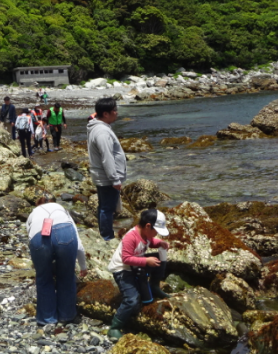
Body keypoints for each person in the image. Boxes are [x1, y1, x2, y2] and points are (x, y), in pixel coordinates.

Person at [106, 209, 170, 340]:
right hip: (122, 269)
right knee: (132, 299)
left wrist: (160, 243)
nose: (156, 234)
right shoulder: (131, 236)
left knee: (159, 257)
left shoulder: (146, 235)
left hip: (135, 265)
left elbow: (150, 242)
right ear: (147, 226)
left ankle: (154, 286)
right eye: (156, 231)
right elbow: (126, 258)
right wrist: (146, 261)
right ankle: (115, 327)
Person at [26, 194, 87, 326]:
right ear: (53, 202)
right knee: (66, 276)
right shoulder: (62, 210)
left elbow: (30, 237)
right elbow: (79, 245)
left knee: (43, 279)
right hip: (65, 231)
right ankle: (67, 315)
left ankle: (48, 319)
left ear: (38, 204)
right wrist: (83, 266)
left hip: (39, 236)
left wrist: (40, 266)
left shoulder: (34, 213)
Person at [87, 97, 126, 242]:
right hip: (106, 178)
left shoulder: (97, 127)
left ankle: (105, 233)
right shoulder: (102, 132)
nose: (117, 113)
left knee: (104, 206)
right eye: (114, 110)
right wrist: (115, 179)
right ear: (105, 114)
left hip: (102, 176)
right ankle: (107, 237)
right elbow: (107, 157)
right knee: (107, 208)